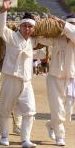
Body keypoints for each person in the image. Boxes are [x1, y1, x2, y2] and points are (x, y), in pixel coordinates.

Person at [0, 0, 38, 147]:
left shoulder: (32, 42)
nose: (27, 29)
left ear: (33, 29)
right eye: (24, 26)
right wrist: (4, 10)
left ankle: (25, 139)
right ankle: (4, 136)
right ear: (20, 27)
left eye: (30, 27)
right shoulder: (12, 37)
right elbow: (0, 27)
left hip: (26, 82)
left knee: (30, 111)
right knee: (5, 109)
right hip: (10, 79)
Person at [38, 14, 75, 146]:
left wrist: (61, 22)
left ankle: (51, 124)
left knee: (67, 109)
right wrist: (39, 25)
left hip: (71, 79)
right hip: (54, 77)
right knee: (57, 108)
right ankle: (60, 136)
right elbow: (41, 39)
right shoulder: (56, 39)